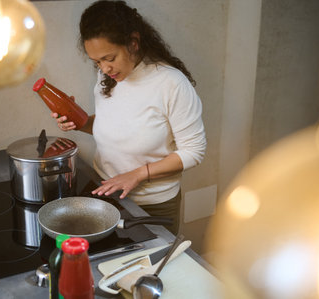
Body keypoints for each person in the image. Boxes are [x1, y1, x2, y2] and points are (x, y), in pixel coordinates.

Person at [53, 0, 206, 235]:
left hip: (153, 206)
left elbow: (194, 150)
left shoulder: (171, 84)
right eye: (97, 62)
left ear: (133, 43)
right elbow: (117, 126)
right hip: (106, 194)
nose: (104, 69)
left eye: (109, 58)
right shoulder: (108, 76)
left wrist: (137, 174)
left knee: (149, 270)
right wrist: (82, 123)